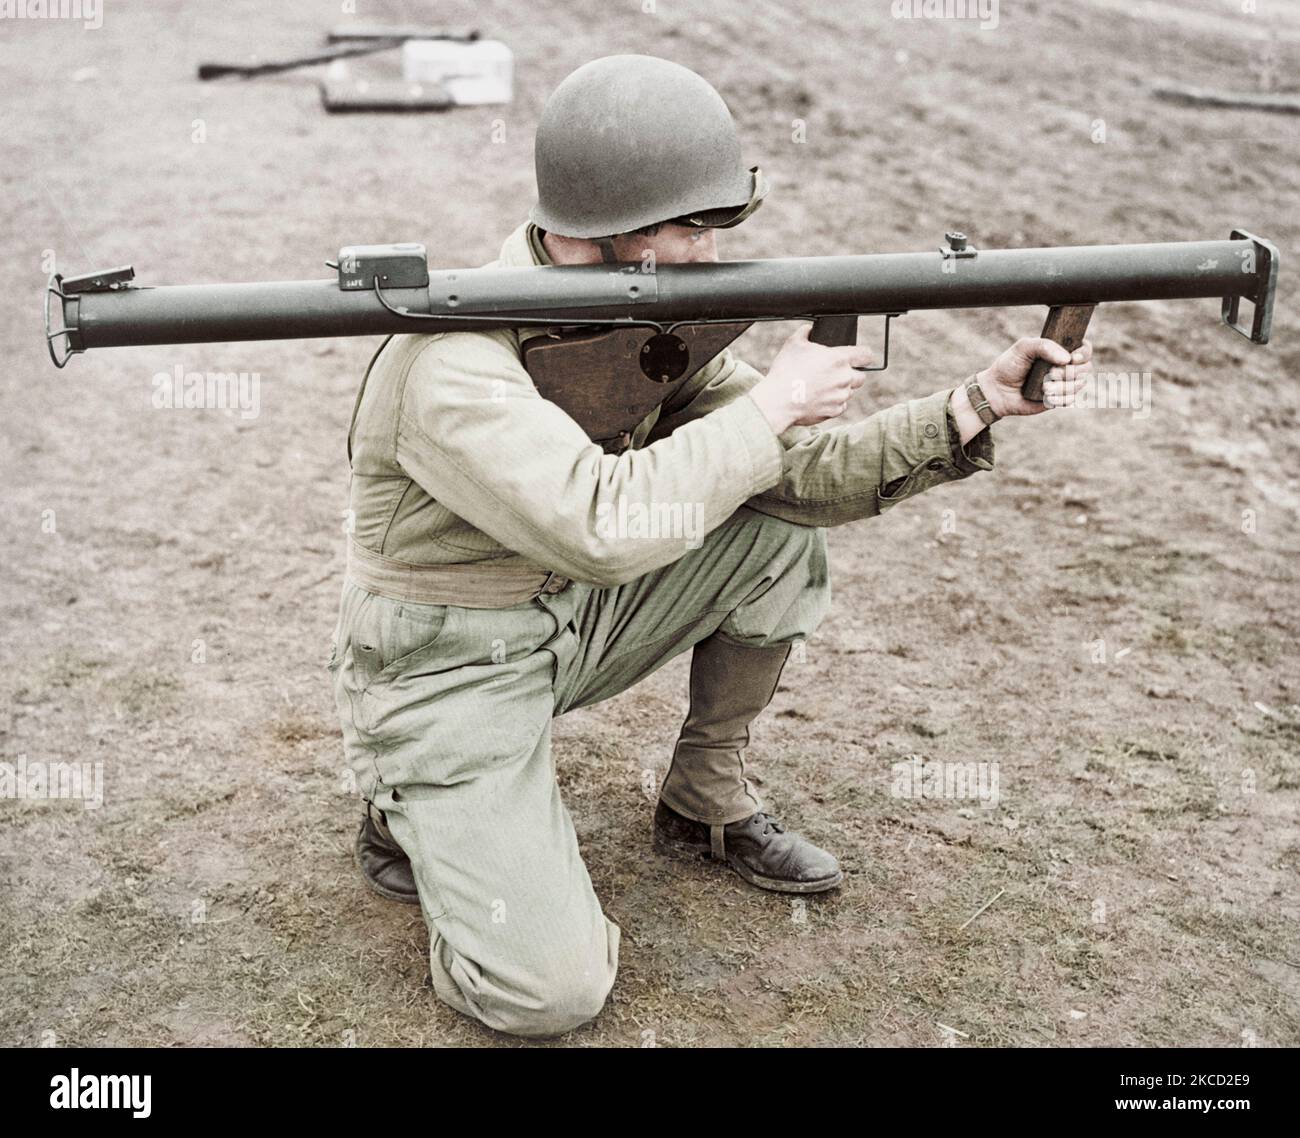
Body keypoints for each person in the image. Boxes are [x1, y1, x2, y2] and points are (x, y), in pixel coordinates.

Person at [330, 54, 1092, 1037]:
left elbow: (796, 478)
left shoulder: (632, 314)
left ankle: (703, 798)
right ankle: (413, 806)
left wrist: (973, 404)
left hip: (567, 625)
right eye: (694, 227)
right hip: (446, 671)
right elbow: (599, 525)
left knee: (774, 534)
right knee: (549, 993)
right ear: (608, 226)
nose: (713, 251)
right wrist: (771, 406)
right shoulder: (452, 358)